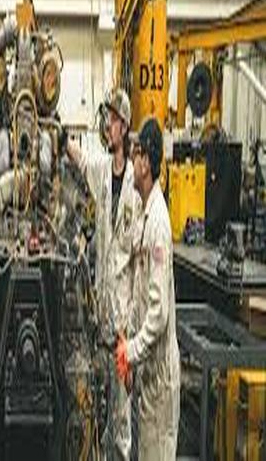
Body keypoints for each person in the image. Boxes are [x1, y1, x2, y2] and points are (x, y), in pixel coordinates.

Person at [65, 88, 139, 460]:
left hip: (125, 325)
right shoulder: (102, 171)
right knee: (98, 407)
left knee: (122, 413)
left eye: (110, 120)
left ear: (123, 125)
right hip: (101, 317)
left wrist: (134, 327)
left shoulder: (137, 185)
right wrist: (60, 138)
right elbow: (80, 161)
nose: (105, 126)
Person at [115, 117, 180, 461]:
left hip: (160, 381)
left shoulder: (158, 222)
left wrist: (131, 352)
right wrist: (126, 337)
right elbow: (136, 283)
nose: (132, 157)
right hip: (147, 375)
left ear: (147, 163)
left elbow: (159, 313)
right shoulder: (143, 211)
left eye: (137, 151)